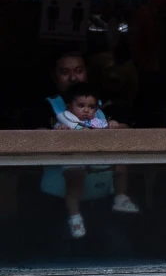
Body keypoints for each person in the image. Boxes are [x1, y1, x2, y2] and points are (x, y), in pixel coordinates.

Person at [47, 83, 139, 239]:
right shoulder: (64, 123)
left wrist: (114, 125)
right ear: (69, 107)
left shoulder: (98, 122)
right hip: (75, 160)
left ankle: (120, 198)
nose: (86, 110)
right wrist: (61, 132)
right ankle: (75, 218)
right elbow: (54, 139)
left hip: (98, 161)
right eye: (81, 106)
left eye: (91, 107)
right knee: (74, 182)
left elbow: (124, 129)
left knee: (120, 166)